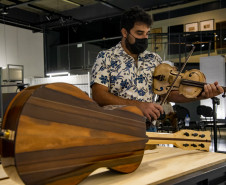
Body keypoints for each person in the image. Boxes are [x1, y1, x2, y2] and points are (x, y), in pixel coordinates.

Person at [90, 6, 224, 128]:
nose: (144, 37)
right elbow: (98, 95)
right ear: (125, 33)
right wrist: (139, 106)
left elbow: (169, 95)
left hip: (147, 128)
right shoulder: (106, 57)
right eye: (139, 33)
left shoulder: (154, 59)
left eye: (147, 33)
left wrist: (201, 96)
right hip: (114, 127)